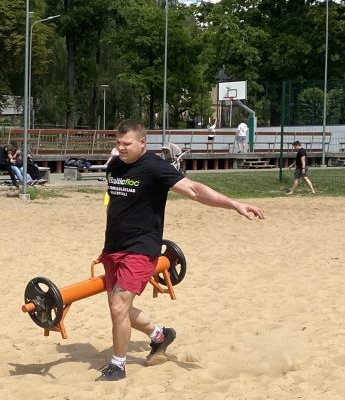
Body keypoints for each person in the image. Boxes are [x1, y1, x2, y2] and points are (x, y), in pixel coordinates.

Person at [96, 119, 265, 381]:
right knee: (119, 309)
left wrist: (234, 204)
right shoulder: (115, 165)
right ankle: (160, 335)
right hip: (114, 247)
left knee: (119, 307)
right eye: (118, 143)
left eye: (127, 143)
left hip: (141, 248)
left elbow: (194, 190)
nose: (121, 148)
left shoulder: (155, 167)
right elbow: (115, 204)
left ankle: (118, 366)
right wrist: (108, 244)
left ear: (143, 143)